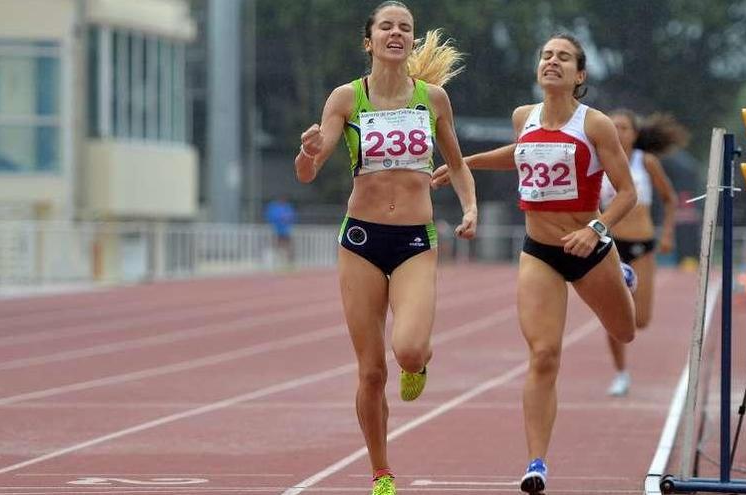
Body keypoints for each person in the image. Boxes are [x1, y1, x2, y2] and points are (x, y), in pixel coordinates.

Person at [432, 33, 636, 495]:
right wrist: (465, 163)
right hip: (539, 252)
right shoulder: (523, 117)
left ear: (579, 75)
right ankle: (536, 463)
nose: (552, 62)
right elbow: (520, 157)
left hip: (590, 249)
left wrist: (597, 231)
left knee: (624, 330)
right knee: (544, 355)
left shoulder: (596, 125)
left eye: (564, 58)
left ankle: (622, 275)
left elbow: (627, 193)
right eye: (546, 55)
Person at [293, 3, 477, 494]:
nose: (396, 33)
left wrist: (470, 207)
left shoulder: (432, 99)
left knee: (410, 351)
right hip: (360, 241)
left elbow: (457, 163)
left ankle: (418, 364)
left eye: (405, 28)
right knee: (372, 372)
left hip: (416, 241)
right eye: (386, 26)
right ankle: (381, 471)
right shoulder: (346, 98)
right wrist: (308, 152)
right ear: (368, 41)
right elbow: (312, 166)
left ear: (412, 42)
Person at [599, 110, 687, 396]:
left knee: (641, 320)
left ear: (635, 133)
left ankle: (627, 296)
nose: (618, 131)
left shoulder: (645, 162)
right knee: (613, 317)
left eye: (624, 127)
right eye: (613, 127)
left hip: (642, 245)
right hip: (610, 246)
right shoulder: (598, 162)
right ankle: (621, 374)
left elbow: (669, 198)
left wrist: (668, 233)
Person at [264, 196, 297, 263]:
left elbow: (292, 217)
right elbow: (271, 217)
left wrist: (287, 219)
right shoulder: (274, 207)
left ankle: (289, 261)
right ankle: (277, 259)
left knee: (288, 245)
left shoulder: (287, 207)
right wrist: (282, 219)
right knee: (277, 245)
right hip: (276, 230)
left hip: (285, 231)